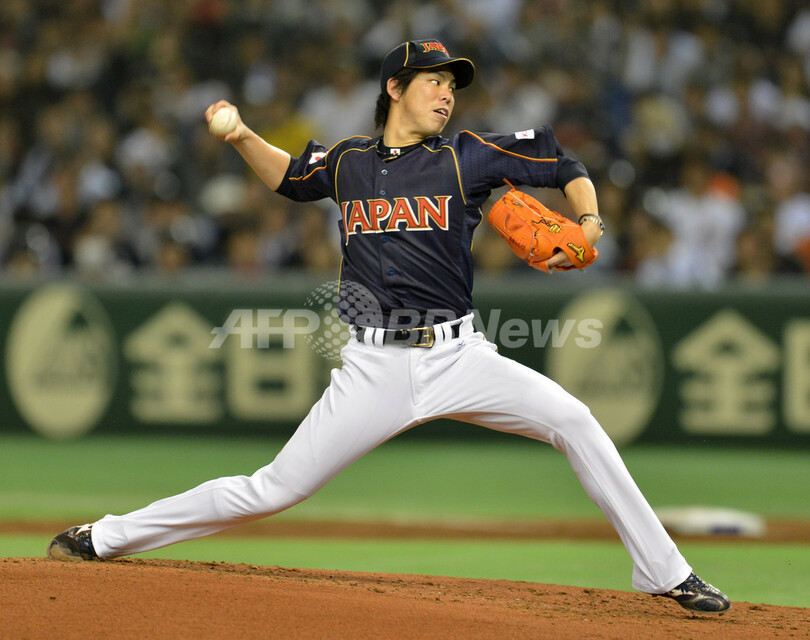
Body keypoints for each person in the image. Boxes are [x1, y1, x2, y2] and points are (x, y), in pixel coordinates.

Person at [48, 39, 730, 614]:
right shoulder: (349, 161)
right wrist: (242, 136)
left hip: (460, 356)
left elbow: (564, 164)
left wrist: (589, 222)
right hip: (373, 367)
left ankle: (665, 572)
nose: (446, 95)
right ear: (394, 88)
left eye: (452, 86)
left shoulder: (466, 154)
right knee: (273, 489)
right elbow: (290, 178)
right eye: (433, 82)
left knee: (574, 420)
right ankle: (104, 536)